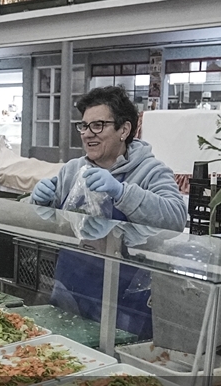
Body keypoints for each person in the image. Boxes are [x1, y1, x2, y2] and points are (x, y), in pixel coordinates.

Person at [29, 86, 185, 338]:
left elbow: (176, 217)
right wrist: (39, 203)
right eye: (84, 126)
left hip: (123, 295)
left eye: (98, 125)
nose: (88, 134)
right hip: (71, 286)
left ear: (124, 130)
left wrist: (122, 192)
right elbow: (50, 226)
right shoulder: (72, 170)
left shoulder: (151, 171)